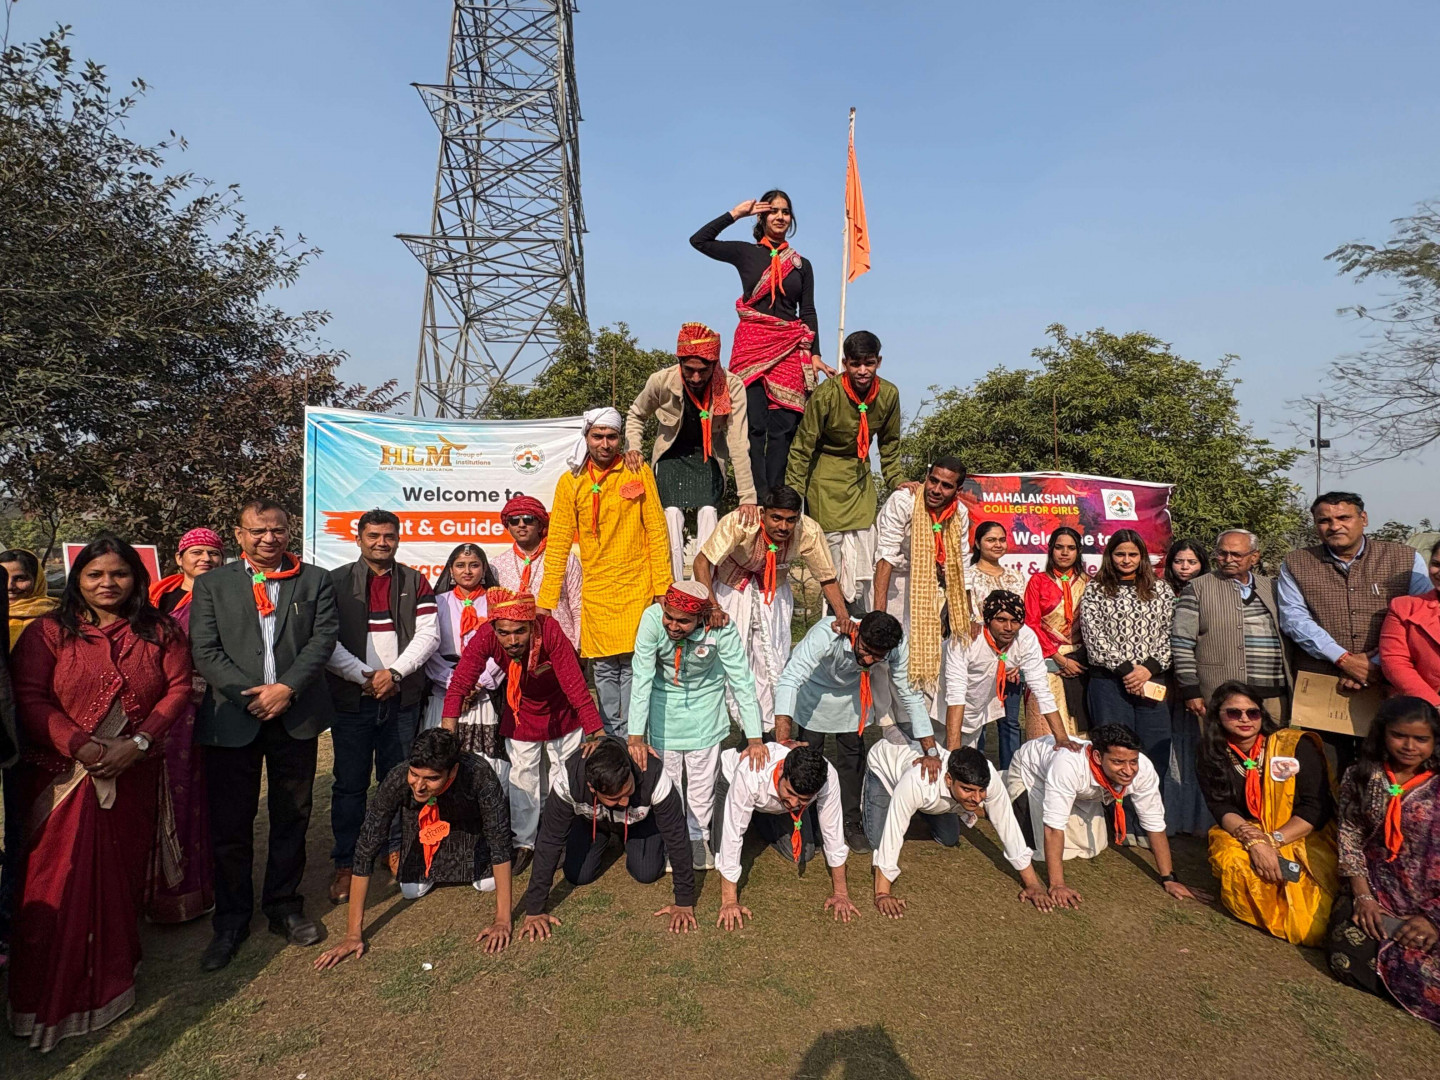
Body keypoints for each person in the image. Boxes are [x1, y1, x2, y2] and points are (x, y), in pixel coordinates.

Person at [7, 537, 192, 1050]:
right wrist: (82, 746)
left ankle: (111, 979)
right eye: (95, 575)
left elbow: (178, 688)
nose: (108, 583)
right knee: (54, 883)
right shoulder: (49, 632)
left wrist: (140, 741)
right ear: (78, 579)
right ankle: (44, 997)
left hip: (133, 775)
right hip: (61, 777)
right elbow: (30, 698)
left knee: (117, 879)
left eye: (119, 574)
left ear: (137, 578)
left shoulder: (160, 631)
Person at [189, 500, 339, 971]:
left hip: (295, 714)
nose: (268, 538)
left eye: (277, 530)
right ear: (239, 535)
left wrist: (286, 688)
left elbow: (322, 639)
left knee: (292, 814)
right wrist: (249, 696)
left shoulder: (314, 580)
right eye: (258, 531)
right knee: (231, 823)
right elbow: (205, 650)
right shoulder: (213, 584)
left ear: (288, 531)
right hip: (233, 718)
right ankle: (232, 920)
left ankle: (284, 905)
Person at [314, 728, 514, 969]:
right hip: (423, 830)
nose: (418, 786)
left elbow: (499, 841)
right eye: (414, 774)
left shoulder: (479, 774)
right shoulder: (398, 778)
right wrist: (352, 935)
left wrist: (502, 920)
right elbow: (366, 847)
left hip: (468, 830)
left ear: (453, 771)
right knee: (411, 890)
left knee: (488, 883)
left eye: (431, 778)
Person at [324, 509, 440, 904]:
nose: (381, 542)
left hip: (401, 698)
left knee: (401, 780)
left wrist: (394, 674)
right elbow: (326, 640)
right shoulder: (335, 582)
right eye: (373, 535)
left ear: (398, 539)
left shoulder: (414, 580)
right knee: (349, 785)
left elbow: (428, 635)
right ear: (358, 539)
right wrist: (365, 677)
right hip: (352, 701)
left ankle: (397, 849)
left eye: (389, 536)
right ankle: (347, 861)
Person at [443, 587, 602, 867]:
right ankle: (523, 841)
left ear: (532, 625)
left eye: (520, 632)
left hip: (562, 709)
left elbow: (576, 686)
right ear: (494, 628)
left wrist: (596, 733)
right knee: (523, 777)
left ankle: (559, 835)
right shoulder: (486, 635)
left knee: (563, 773)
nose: (512, 640)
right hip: (522, 711)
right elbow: (460, 683)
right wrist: (447, 734)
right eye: (504, 633)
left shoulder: (550, 631)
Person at [539, 406, 672, 737]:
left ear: (621, 439)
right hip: (597, 589)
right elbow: (557, 543)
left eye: (612, 437)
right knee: (604, 668)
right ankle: (612, 739)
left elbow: (657, 532)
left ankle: (633, 737)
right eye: (598, 436)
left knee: (634, 665)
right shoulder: (571, 481)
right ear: (586, 437)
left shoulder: (637, 471)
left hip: (637, 584)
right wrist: (545, 601)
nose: (605, 444)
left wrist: (663, 588)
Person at [690, 193, 830, 499]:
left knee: (784, 426)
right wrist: (735, 213)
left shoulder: (802, 265)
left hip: (790, 347)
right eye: (773, 211)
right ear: (762, 217)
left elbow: (808, 310)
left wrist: (815, 354)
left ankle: (776, 496)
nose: (780, 217)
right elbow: (699, 241)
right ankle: (755, 494)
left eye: (785, 212)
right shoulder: (746, 253)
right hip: (752, 345)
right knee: (753, 424)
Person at [627, 582, 764, 870]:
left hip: (706, 707)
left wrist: (754, 738)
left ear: (701, 617)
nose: (673, 626)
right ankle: (673, 839)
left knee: (702, 783)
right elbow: (641, 679)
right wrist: (636, 737)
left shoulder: (721, 628)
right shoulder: (651, 619)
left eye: (683, 621)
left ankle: (698, 837)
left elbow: (741, 681)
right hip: (663, 705)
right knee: (668, 781)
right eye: (669, 617)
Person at [775, 611, 937, 851]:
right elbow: (790, 679)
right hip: (814, 694)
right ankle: (809, 820)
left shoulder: (896, 644)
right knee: (809, 758)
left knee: (852, 759)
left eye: (878, 656)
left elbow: (910, 695)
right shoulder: (827, 633)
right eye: (866, 650)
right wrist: (782, 744)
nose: (869, 660)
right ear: (858, 632)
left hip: (852, 696)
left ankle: (850, 820)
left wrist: (931, 751)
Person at [1004, 724, 1210, 908]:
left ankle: (1063, 799)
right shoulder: (1067, 765)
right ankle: (1003, 789)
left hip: (1081, 790)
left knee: (1092, 848)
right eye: (1118, 762)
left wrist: (1169, 878)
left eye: (1133, 761)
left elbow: (1154, 823)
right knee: (1039, 852)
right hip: (1032, 773)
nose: (1128, 771)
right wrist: (1057, 885)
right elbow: (1053, 828)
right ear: (1096, 757)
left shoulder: (1144, 769)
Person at [693, 485, 848, 729]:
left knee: (774, 660)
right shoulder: (740, 522)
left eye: (790, 520)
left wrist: (843, 616)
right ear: (763, 513)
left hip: (775, 594)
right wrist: (712, 607)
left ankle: (768, 730)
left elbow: (826, 576)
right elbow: (701, 562)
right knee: (733, 660)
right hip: (732, 592)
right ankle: (739, 728)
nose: (783, 526)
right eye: (776, 518)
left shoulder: (808, 530)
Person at [1196, 681, 1337, 945]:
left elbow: (1315, 808)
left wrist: (1270, 841)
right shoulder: (1211, 752)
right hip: (1249, 829)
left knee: (1312, 924)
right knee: (1232, 858)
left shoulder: (1293, 747)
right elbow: (1220, 805)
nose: (1245, 719)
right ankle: (1264, 912)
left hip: (1301, 833)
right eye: (1234, 713)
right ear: (1217, 715)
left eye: (1253, 712)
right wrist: (1252, 840)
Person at [1328, 696, 1440, 1026]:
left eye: (1421, 739)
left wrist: (1433, 919)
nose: (1409, 746)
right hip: (1375, 892)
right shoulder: (1361, 776)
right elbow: (1349, 837)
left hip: (1432, 901)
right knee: (1346, 957)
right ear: (1382, 733)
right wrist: (1363, 898)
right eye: (1399, 735)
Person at [520, 737, 698, 940]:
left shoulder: (652, 772)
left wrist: (684, 901)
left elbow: (677, 836)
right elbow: (550, 840)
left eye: (629, 790)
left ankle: (629, 841)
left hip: (639, 824)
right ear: (592, 787)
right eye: (615, 798)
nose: (625, 801)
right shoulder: (570, 777)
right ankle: (605, 838)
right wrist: (534, 909)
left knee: (646, 872)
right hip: (593, 822)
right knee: (578, 875)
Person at [625, 322, 758, 581]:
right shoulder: (661, 381)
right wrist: (634, 448)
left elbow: (739, 442)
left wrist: (747, 497)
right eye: (689, 370)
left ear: (714, 365)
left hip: (708, 456)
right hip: (671, 456)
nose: (696, 378)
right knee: (671, 515)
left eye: (703, 371)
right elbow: (636, 414)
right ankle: (672, 586)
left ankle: (704, 586)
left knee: (708, 512)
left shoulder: (731, 387)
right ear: (680, 363)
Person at [785, 330, 903, 615]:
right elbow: (802, 446)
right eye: (855, 364)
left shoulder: (889, 394)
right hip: (824, 478)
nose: (862, 371)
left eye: (869, 363)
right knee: (832, 559)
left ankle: (860, 621)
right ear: (844, 363)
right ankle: (834, 617)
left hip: (860, 479)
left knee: (864, 552)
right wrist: (792, 496)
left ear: (879, 362)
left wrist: (897, 480)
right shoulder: (827, 393)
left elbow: (889, 444)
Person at [863, 741, 1053, 917]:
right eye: (968, 790)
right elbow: (893, 832)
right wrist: (882, 894)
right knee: (877, 840)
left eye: (981, 791)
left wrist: (1033, 884)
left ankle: (918, 808)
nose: (977, 799)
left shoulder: (989, 777)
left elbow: (1007, 826)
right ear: (948, 779)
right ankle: (877, 804)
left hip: (932, 797)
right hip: (884, 767)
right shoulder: (917, 781)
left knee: (949, 838)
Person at [145, 527, 226, 923]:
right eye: (196, 552)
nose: (205, 559)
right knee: (155, 797)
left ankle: (195, 887)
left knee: (199, 796)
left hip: (208, 707)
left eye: (213, 553)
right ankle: (151, 891)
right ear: (179, 558)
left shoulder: (229, 596)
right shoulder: (157, 599)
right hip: (156, 709)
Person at [1278, 492, 1431, 695]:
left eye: (1344, 518)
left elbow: (1420, 618)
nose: (1335, 526)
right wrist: (1342, 659)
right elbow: (1294, 619)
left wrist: (1373, 663)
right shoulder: (1296, 562)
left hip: (1391, 679)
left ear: (1363, 519)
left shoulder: (1406, 558)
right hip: (1320, 681)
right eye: (1324, 521)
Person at [712, 742, 857, 931]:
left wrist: (841, 893)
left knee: (805, 853)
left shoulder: (828, 776)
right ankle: (750, 811)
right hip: (732, 781)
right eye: (790, 793)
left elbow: (833, 832)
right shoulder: (750, 774)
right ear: (781, 771)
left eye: (804, 800)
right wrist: (730, 901)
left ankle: (757, 816)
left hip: (769, 802)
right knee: (720, 852)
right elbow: (732, 836)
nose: (794, 803)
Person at [872, 456, 973, 710]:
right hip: (889, 580)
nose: (936, 490)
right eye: (933, 481)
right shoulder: (904, 501)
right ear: (926, 477)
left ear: (958, 490)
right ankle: (887, 720)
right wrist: (878, 614)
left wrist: (968, 616)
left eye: (946, 486)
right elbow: (885, 557)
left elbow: (961, 565)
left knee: (920, 647)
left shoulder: (960, 513)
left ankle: (913, 715)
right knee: (884, 648)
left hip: (927, 584)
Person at [1077, 530, 1175, 782]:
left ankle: (1150, 806)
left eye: (1133, 554)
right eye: (1120, 554)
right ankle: (1116, 806)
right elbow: (1093, 636)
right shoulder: (1096, 590)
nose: (1126, 560)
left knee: (1155, 754)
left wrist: (1147, 669)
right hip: (1110, 685)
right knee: (1114, 753)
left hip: (1151, 682)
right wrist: (1128, 672)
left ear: (1142, 557)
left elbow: (1170, 633)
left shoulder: (1161, 589)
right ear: (1110, 556)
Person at [1171, 529, 1290, 718]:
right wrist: (1190, 689)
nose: (1228, 559)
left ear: (1254, 557)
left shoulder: (1273, 588)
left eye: (1236, 554)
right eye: (1222, 553)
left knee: (1275, 738)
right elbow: (1181, 643)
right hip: (1221, 695)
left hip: (1273, 695)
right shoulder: (1197, 588)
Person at [940, 591, 1065, 766]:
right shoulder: (966, 639)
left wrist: (1062, 739)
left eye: (1015, 621)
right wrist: (952, 754)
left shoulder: (1026, 638)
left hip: (975, 709)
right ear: (988, 620)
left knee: (962, 768)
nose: (1009, 627)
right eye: (1001, 620)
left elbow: (1041, 689)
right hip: (938, 704)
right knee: (936, 762)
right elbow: (955, 694)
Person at [1161, 538, 1213, 837]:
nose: (1184, 567)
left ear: (1202, 564)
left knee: (1199, 744)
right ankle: (1172, 815)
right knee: (1171, 743)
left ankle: (1200, 818)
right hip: (1167, 679)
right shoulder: (1161, 591)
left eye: (1191, 562)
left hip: (1200, 679)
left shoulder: (1210, 592)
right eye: (1179, 561)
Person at [966, 522, 1030, 750]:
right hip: (978, 659)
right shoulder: (968, 577)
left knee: (1010, 722)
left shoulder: (1016, 577)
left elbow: (1022, 621)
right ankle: (976, 769)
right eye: (991, 540)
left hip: (1011, 660)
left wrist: (1016, 660)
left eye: (1001, 539)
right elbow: (968, 619)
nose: (997, 544)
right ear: (977, 543)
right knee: (977, 723)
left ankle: (1011, 771)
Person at [423, 542, 497, 733]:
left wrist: (478, 683)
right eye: (460, 565)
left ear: (484, 569)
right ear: (451, 570)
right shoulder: (437, 603)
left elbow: (504, 647)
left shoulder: (497, 603)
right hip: (443, 687)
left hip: (483, 692)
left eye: (474, 565)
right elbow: (428, 647)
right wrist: (455, 684)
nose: (467, 571)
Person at [1023, 526, 1090, 736]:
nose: (1065, 552)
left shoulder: (1089, 583)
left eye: (1071, 548)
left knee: (1081, 729)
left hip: (1081, 662)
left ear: (1078, 551)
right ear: (1051, 549)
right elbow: (1031, 624)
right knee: (1046, 729)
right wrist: (1060, 659)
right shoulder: (1038, 581)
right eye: (1059, 547)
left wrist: (1076, 660)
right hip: (1046, 660)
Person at [492, 494, 581, 650]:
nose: (521, 525)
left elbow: (578, 606)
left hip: (562, 645)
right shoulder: (497, 565)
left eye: (528, 519)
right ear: (508, 527)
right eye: (514, 521)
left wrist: (578, 646)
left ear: (540, 525)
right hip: (515, 648)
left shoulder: (564, 558)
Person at [1378, 539, 1440, 707]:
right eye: (1436, 564)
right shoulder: (1403, 607)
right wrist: (1434, 705)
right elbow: (1395, 660)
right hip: (1422, 709)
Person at [2, 548, 57, 648]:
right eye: (2, 578)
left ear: (38, 581)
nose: (9, 586)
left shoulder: (59, 621)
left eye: (20, 578)